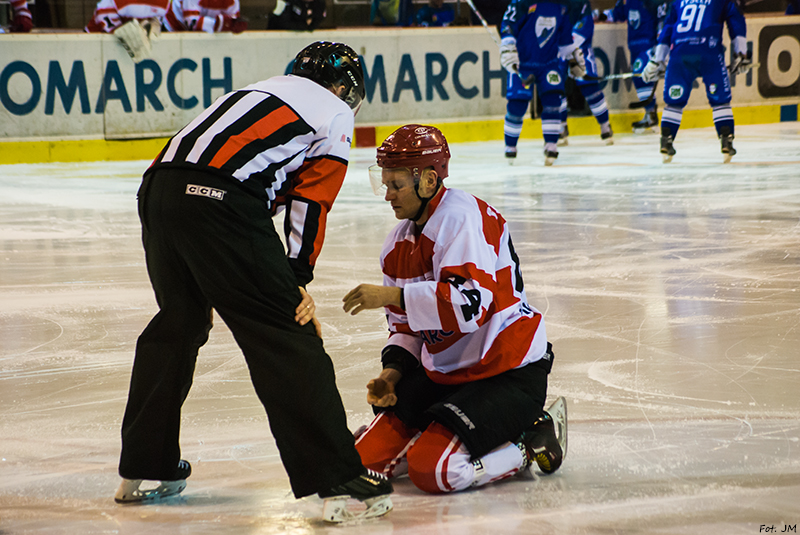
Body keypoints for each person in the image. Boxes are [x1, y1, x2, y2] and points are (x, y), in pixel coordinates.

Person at [113, 41, 393, 523]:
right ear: (349, 88)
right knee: (286, 332)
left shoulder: (260, 90)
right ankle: (336, 476)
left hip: (159, 191)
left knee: (177, 324)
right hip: (221, 199)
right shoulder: (334, 113)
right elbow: (311, 201)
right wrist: (295, 280)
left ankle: (144, 466)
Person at [342, 125, 565, 494]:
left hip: (504, 371)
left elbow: (467, 306)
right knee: (357, 461)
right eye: (385, 184)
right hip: (447, 374)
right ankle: (450, 429)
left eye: (396, 185)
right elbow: (406, 327)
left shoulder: (462, 218)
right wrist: (392, 375)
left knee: (434, 470)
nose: (387, 196)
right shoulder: (398, 243)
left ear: (428, 181)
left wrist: (392, 295)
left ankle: (527, 439)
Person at [642, 0, 749, 163]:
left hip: (680, 53)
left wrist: (657, 60)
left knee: (674, 102)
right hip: (709, 52)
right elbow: (736, 22)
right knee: (720, 100)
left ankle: (666, 141)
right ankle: (726, 140)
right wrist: (741, 54)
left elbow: (668, 28)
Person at [499, 0, 585, 166]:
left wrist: (573, 57)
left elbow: (565, 39)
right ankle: (510, 146)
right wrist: (508, 46)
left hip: (549, 63)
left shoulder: (562, 6)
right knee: (517, 104)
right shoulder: (521, 3)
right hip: (522, 63)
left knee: (553, 100)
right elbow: (508, 25)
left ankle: (551, 145)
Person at [596, 0, 669, 132]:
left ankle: (651, 113)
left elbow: (662, 21)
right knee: (639, 76)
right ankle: (649, 114)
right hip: (634, 46)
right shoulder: (627, 1)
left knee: (640, 74)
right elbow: (617, 14)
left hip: (648, 44)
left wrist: (660, 44)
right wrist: (599, 15)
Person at [559, 0, 614, 146]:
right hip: (558, 51)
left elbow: (585, 24)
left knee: (590, 87)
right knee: (555, 88)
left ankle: (605, 125)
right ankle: (560, 127)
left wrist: (567, 46)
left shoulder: (580, 3)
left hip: (580, 49)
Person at [85, 0, 166, 62]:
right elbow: (102, 12)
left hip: (131, 56)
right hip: (95, 49)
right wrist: (120, 30)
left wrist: (155, 23)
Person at [162, 0, 247, 33]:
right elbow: (191, 23)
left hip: (205, 35)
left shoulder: (233, 1)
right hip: (172, 27)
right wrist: (217, 24)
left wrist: (233, 25)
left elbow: (231, 25)